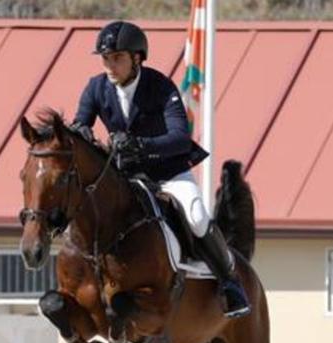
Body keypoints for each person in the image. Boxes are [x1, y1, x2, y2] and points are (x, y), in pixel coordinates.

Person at [71, 20, 250, 319]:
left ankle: (230, 283)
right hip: (124, 176)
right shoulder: (96, 87)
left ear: (137, 58)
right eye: (106, 59)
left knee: (195, 215)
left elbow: (180, 137)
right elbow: (81, 123)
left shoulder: (160, 86)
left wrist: (140, 145)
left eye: (117, 58)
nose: (110, 66)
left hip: (168, 172)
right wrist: (81, 134)